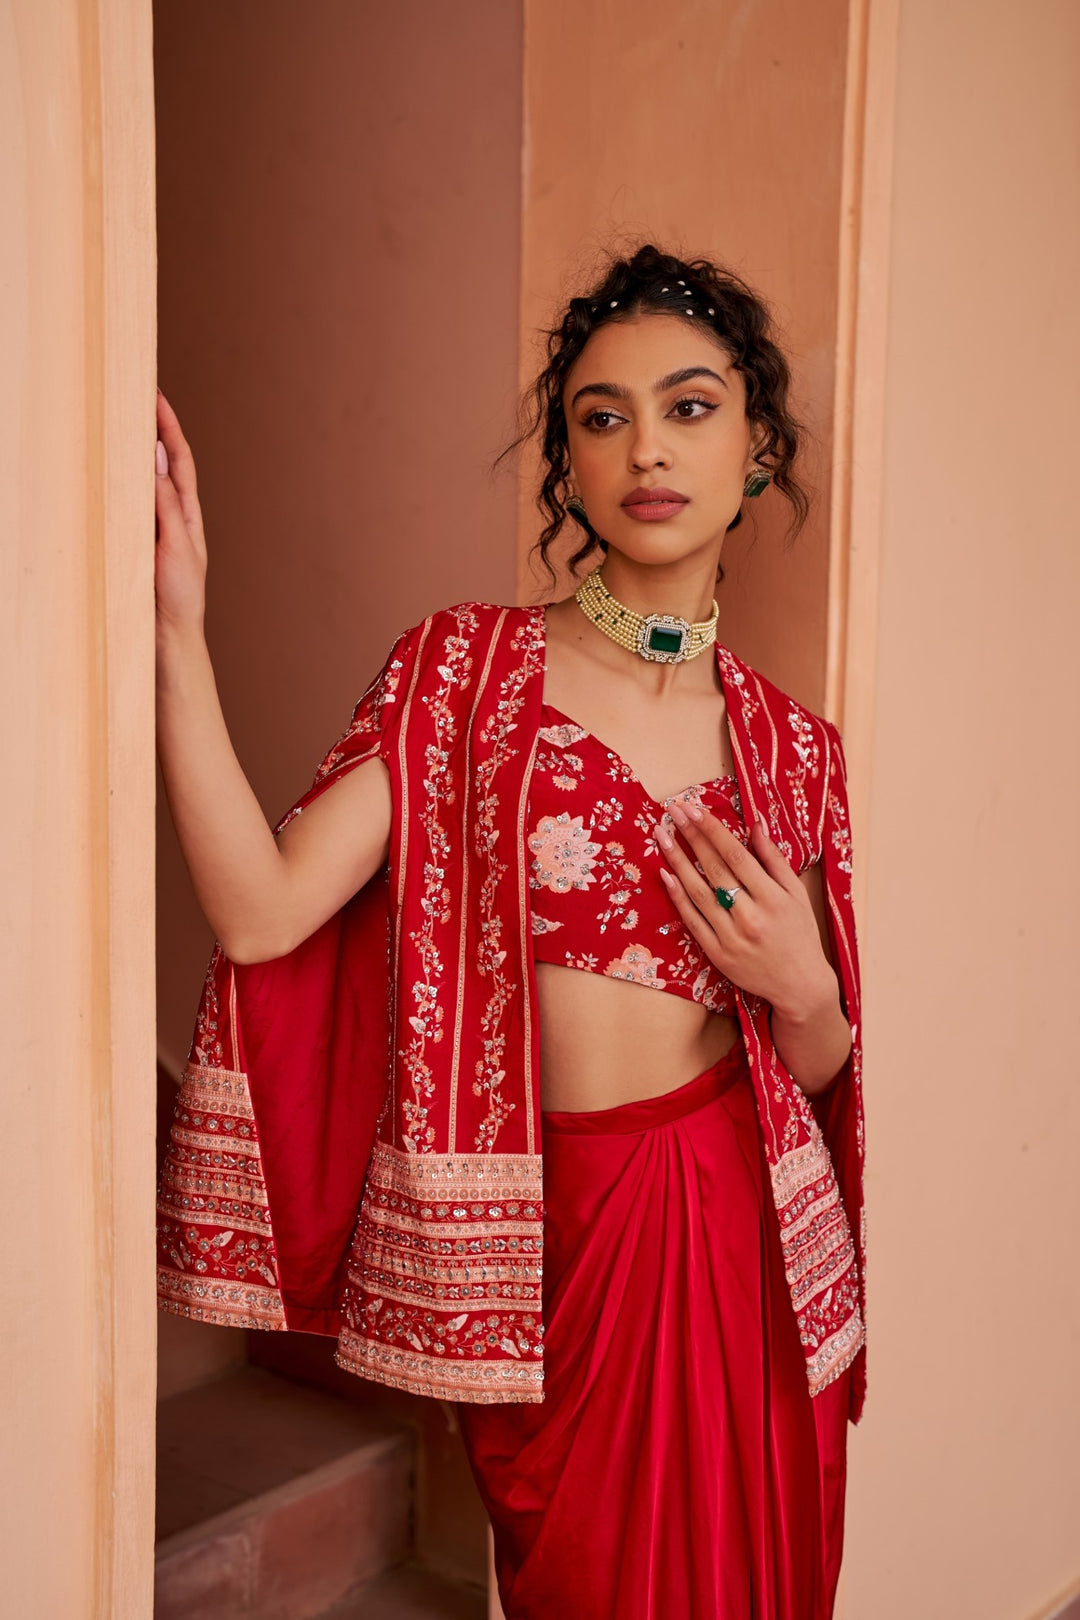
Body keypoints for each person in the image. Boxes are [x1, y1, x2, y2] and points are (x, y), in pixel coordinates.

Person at [154, 243, 866, 1620]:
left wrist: (805, 989)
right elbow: (260, 914)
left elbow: (828, 1071)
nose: (647, 447)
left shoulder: (794, 750)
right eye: (603, 417)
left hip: (744, 1248)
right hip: (560, 1252)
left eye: (691, 406)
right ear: (571, 465)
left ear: (759, 450)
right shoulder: (464, 678)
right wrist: (180, 635)